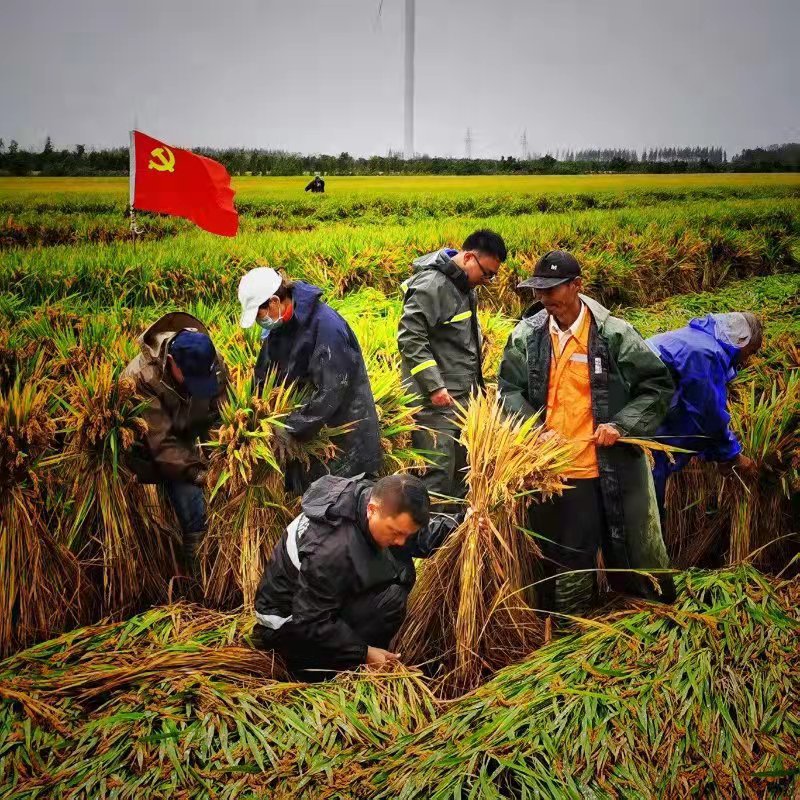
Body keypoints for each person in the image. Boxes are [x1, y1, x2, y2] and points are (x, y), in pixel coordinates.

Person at [498, 251, 675, 616]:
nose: (544, 298)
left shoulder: (614, 334)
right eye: (538, 291)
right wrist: (534, 430)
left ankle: (624, 617)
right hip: (551, 470)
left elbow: (656, 386)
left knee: (615, 548)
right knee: (559, 553)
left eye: (552, 289)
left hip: (602, 466)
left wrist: (621, 425)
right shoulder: (527, 335)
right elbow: (508, 390)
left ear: (577, 286)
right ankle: (564, 623)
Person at [252, 473, 461, 679]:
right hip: (287, 627)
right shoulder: (333, 549)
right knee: (390, 602)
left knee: (396, 570)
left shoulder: (372, 502)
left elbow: (418, 535)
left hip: (314, 602)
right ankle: (326, 672)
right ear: (372, 510)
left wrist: (463, 524)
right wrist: (364, 652)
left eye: (406, 533)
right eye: (395, 532)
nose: (400, 541)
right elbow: (311, 621)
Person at [238, 267, 382, 492]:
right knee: (310, 497)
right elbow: (265, 372)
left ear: (274, 302)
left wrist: (292, 427)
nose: (260, 321)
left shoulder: (327, 328)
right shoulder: (280, 326)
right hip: (310, 430)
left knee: (341, 498)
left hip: (342, 431)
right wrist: (255, 413)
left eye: (259, 314)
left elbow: (331, 390)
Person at [397, 229, 507, 507]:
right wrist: (434, 386)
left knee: (460, 473)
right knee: (437, 475)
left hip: (460, 398)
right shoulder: (433, 285)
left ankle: (454, 530)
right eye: (486, 273)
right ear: (468, 257)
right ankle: (430, 532)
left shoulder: (462, 285)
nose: (487, 281)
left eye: (492, 276)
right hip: (436, 403)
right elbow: (410, 337)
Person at [122, 312, 229, 576]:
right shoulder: (139, 379)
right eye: (192, 380)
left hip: (187, 433)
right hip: (151, 450)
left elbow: (221, 415)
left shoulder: (211, 361)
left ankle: (225, 558)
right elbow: (161, 444)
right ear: (171, 362)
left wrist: (223, 458)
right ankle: (199, 571)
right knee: (190, 495)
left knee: (223, 491)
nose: (197, 387)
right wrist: (200, 473)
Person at [646, 312, 763, 527]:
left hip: (644, 422)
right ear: (742, 340)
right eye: (751, 351)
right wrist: (731, 455)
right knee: (646, 504)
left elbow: (690, 412)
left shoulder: (695, 339)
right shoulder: (705, 353)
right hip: (645, 431)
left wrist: (716, 454)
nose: (748, 358)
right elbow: (707, 413)